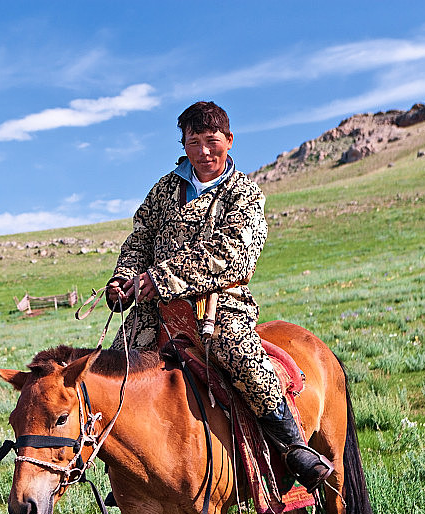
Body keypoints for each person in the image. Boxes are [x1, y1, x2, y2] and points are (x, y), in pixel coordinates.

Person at [105, 101, 332, 492]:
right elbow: (139, 239)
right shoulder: (164, 190)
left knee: (244, 361)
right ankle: (134, 472)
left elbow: (232, 253)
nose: (204, 152)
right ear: (184, 144)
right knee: (114, 371)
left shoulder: (244, 192)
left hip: (218, 306)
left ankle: (292, 447)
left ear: (229, 140)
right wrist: (124, 280)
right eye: (194, 142)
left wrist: (160, 278)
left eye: (212, 141)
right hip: (155, 312)